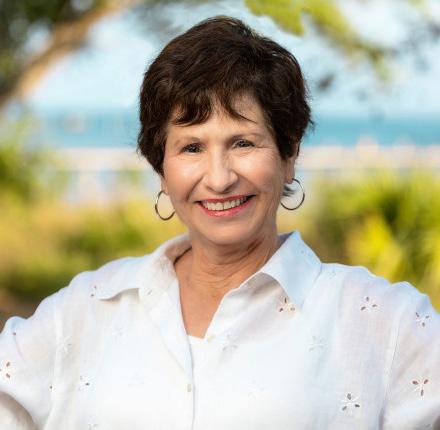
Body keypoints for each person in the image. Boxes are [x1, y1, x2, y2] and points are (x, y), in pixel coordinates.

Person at [0, 15, 439, 430]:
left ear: (289, 154)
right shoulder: (83, 310)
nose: (219, 178)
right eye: (191, 148)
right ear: (161, 169)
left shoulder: (388, 322)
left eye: (243, 143)